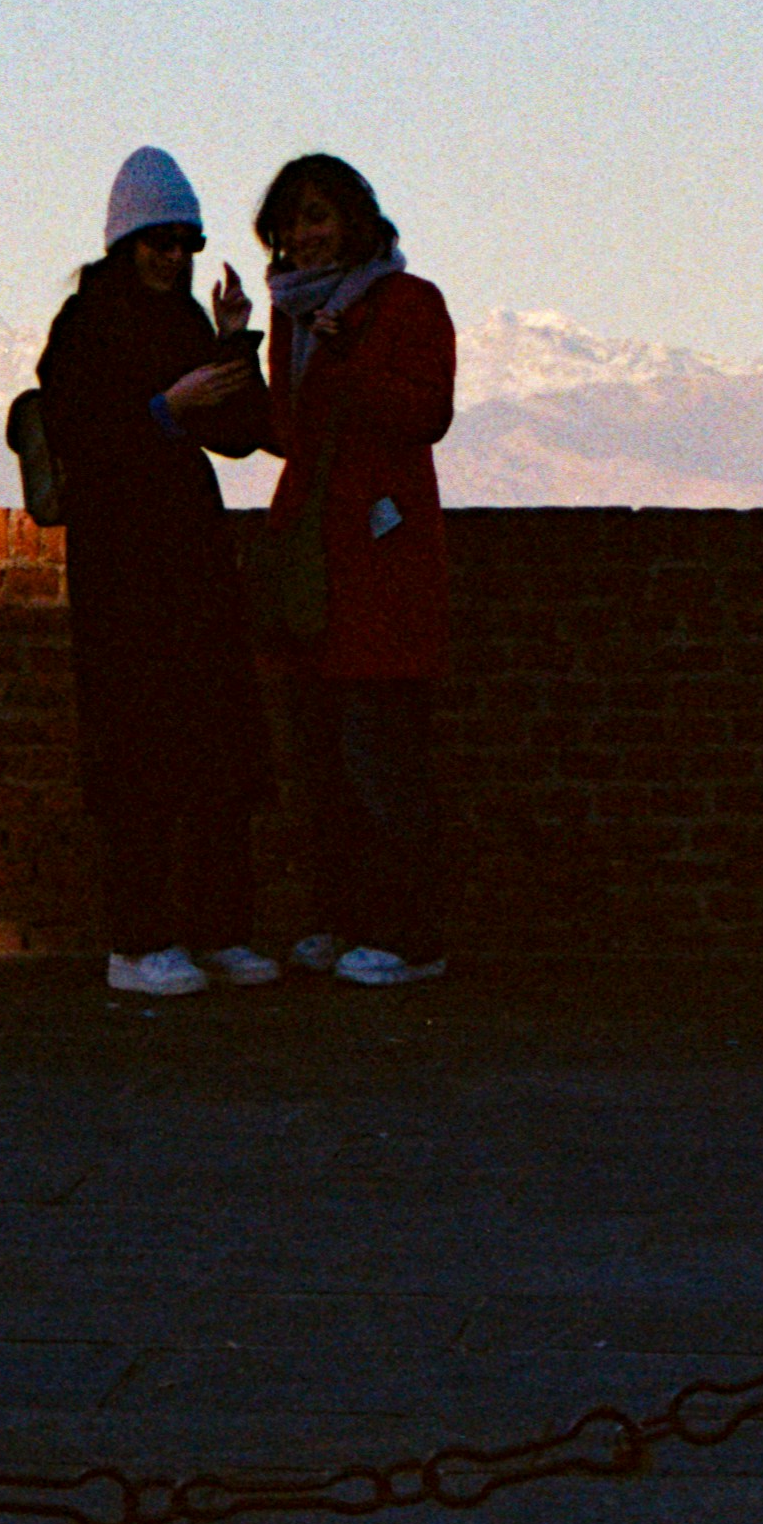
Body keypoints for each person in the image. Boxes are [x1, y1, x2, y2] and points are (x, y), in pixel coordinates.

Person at [34, 146, 274, 997]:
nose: (174, 259)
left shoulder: (180, 323)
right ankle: (137, 939)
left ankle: (218, 930)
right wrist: (163, 413)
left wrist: (238, 337)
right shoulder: (85, 326)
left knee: (213, 741)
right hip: (123, 565)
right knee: (139, 751)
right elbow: (76, 431)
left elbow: (244, 431)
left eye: (186, 244)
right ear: (124, 243)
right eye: (159, 243)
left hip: (188, 557)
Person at [250, 155, 459, 988]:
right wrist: (234, 345)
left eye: (317, 217)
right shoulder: (292, 318)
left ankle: (408, 936)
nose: (304, 237)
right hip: (315, 560)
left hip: (380, 555)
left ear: (355, 221)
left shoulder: (407, 303)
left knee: (381, 756)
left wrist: (348, 362)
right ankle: (340, 921)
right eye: (291, 223)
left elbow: (426, 411)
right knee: (324, 762)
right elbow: (287, 428)